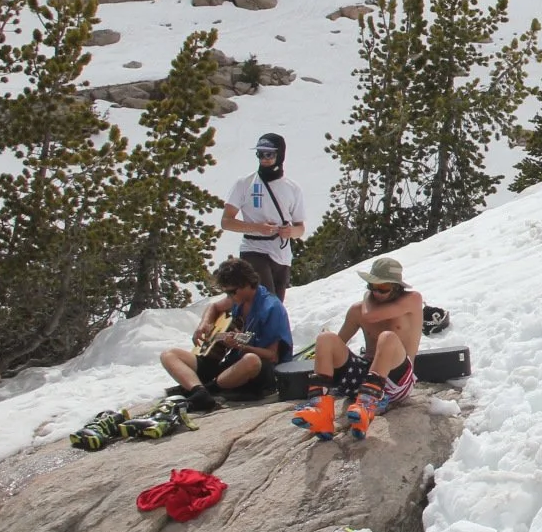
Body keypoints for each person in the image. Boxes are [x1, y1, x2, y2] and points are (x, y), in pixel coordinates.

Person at [292, 256, 424, 441]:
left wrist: (366, 296)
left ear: (396, 287)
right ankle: (321, 410)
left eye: (383, 288)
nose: (376, 293)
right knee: (325, 339)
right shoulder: (358, 311)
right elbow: (338, 344)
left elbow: (371, 316)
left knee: (387, 338)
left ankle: (367, 404)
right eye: (372, 286)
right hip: (362, 380)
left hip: (396, 381)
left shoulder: (412, 300)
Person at [159, 257, 294, 412]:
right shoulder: (238, 299)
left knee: (251, 360)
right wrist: (204, 324)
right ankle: (199, 392)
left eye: (232, 291)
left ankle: (207, 389)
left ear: (248, 283)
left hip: (259, 371)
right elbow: (214, 307)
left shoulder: (271, 307)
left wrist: (243, 346)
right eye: (227, 292)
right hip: (231, 365)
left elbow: (272, 356)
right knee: (169, 355)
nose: (230, 296)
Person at [223, 132, 305, 299]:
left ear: (280, 154)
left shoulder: (293, 188)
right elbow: (226, 221)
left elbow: (300, 228)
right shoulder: (244, 183)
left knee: (275, 307)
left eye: (269, 154)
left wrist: (290, 232)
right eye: (260, 154)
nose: (264, 158)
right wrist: (257, 228)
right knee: (265, 300)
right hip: (253, 248)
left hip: (281, 254)